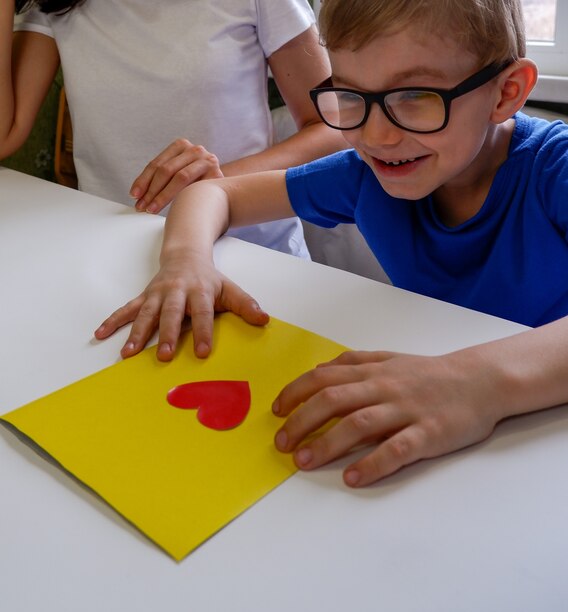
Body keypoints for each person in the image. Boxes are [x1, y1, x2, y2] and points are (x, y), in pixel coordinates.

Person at [96, 0, 568, 488]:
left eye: (415, 96)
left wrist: (475, 383)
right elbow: (211, 192)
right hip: (452, 437)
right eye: (350, 95)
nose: (376, 135)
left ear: (506, 92)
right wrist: (185, 261)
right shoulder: (365, 175)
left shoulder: (555, 168)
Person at [1, 0, 346, 256]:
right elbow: (5, 134)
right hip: (115, 252)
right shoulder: (55, 6)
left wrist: (216, 187)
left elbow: (335, 129)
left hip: (249, 253)